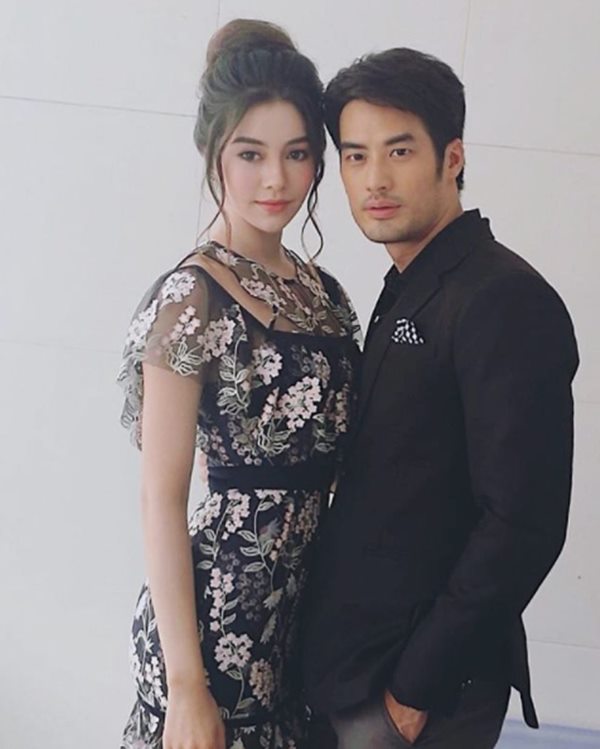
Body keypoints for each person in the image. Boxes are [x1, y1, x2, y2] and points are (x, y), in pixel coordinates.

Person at [302, 48, 579, 748]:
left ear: (451, 157)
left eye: (399, 151)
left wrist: (413, 693)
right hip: (356, 670)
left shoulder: (503, 298)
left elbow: (524, 523)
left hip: (423, 694)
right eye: (356, 156)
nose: (375, 178)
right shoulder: (410, 284)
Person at [117, 19, 361, 749]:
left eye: (296, 153)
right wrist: (187, 688)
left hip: (300, 623)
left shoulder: (325, 295)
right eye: (250, 154)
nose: (276, 179)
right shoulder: (190, 299)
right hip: (214, 629)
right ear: (213, 152)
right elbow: (160, 499)